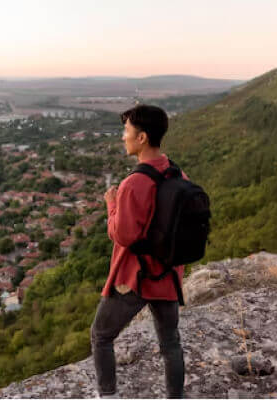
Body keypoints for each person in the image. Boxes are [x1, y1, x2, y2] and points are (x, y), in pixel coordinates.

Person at [91, 104, 187, 399]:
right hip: (167, 274)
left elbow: (122, 235)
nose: (123, 137)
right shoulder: (177, 174)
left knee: (101, 336)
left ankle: (108, 395)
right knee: (170, 343)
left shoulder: (133, 183)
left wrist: (112, 203)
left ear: (142, 137)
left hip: (135, 278)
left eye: (127, 131)